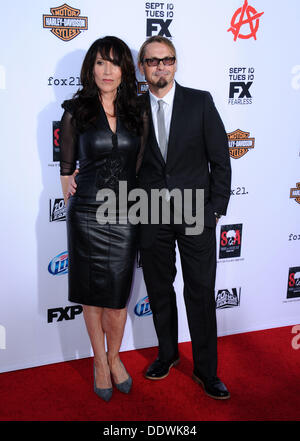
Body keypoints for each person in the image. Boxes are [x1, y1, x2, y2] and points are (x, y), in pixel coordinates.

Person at [137, 36, 232, 400]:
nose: (161, 66)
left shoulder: (200, 102)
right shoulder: (133, 108)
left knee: (201, 292)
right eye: (153, 61)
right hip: (150, 213)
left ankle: (207, 371)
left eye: (167, 59)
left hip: (197, 211)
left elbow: (221, 159)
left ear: (175, 64)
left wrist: (216, 210)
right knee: (160, 289)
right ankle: (167, 353)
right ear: (143, 67)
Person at [59, 36, 143, 402]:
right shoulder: (76, 111)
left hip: (125, 215)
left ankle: (115, 355)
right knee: (91, 297)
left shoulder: (137, 111)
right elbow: (66, 172)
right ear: (90, 68)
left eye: (114, 63)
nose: (107, 71)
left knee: (117, 300)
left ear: (125, 68)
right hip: (87, 215)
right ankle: (100, 361)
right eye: (99, 62)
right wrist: (71, 186)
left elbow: (141, 167)